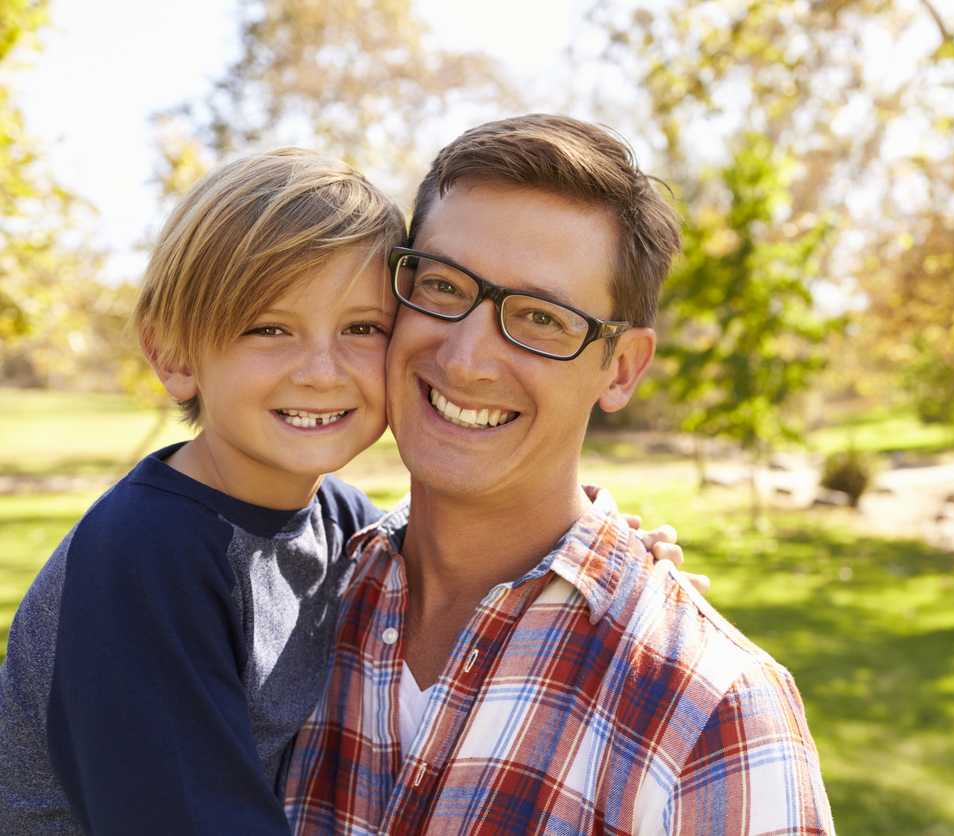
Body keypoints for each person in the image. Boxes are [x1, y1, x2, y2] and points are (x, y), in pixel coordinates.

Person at [0, 147, 683, 835]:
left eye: (362, 329)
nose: (322, 372)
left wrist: (613, 551)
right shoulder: (147, 554)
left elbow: (429, 540)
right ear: (174, 354)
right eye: (270, 328)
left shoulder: (336, 524)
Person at [284, 115, 834, 834]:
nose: (466, 359)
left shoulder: (713, 713)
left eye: (541, 318)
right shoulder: (292, 604)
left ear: (623, 367)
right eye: (444, 286)